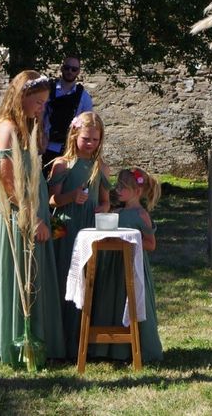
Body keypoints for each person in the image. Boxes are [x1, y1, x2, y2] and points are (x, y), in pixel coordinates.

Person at [0, 70, 66, 363]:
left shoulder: (25, 126)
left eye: (44, 102)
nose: (42, 107)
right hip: (19, 212)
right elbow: (9, 184)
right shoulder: (6, 128)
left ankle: (36, 339)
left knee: (34, 274)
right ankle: (17, 344)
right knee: (20, 272)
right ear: (22, 97)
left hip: (33, 207)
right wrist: (33, 218)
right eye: (38, 101)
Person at [47, 111, 110, 358]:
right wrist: (71, 197)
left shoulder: (100, 167)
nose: (91, 144)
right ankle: (62, 342)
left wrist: (102, 209)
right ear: (74, 135)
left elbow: (106, 202)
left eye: (95, 140)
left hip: (90, 228)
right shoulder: (62, 164)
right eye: (86, 139)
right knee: (66, 279)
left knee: (89, 280)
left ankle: (85, 341)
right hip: (67, 227)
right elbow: (52, 200)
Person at [110, 167, 163, 362]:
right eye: (117, 185)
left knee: (133, 302)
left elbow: (151, 244)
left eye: (122, 187)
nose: (117, 190)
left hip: (133, 266)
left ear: (137, 192)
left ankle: (143, 347)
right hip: (115, 266)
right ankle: (116, 349)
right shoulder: (117, 211)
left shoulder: (141, 215)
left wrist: (134, 239)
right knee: (115, 300)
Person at [42, 56, 93, 173]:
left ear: (78, 71)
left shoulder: (84, 97)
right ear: (62, 68)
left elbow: (87, 124)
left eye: (74, 69)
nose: (70, 71)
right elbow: (40, 115)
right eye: (67, 68)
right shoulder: (48, 91)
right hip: (48, 146)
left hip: (71, 148)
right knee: (46, 183)